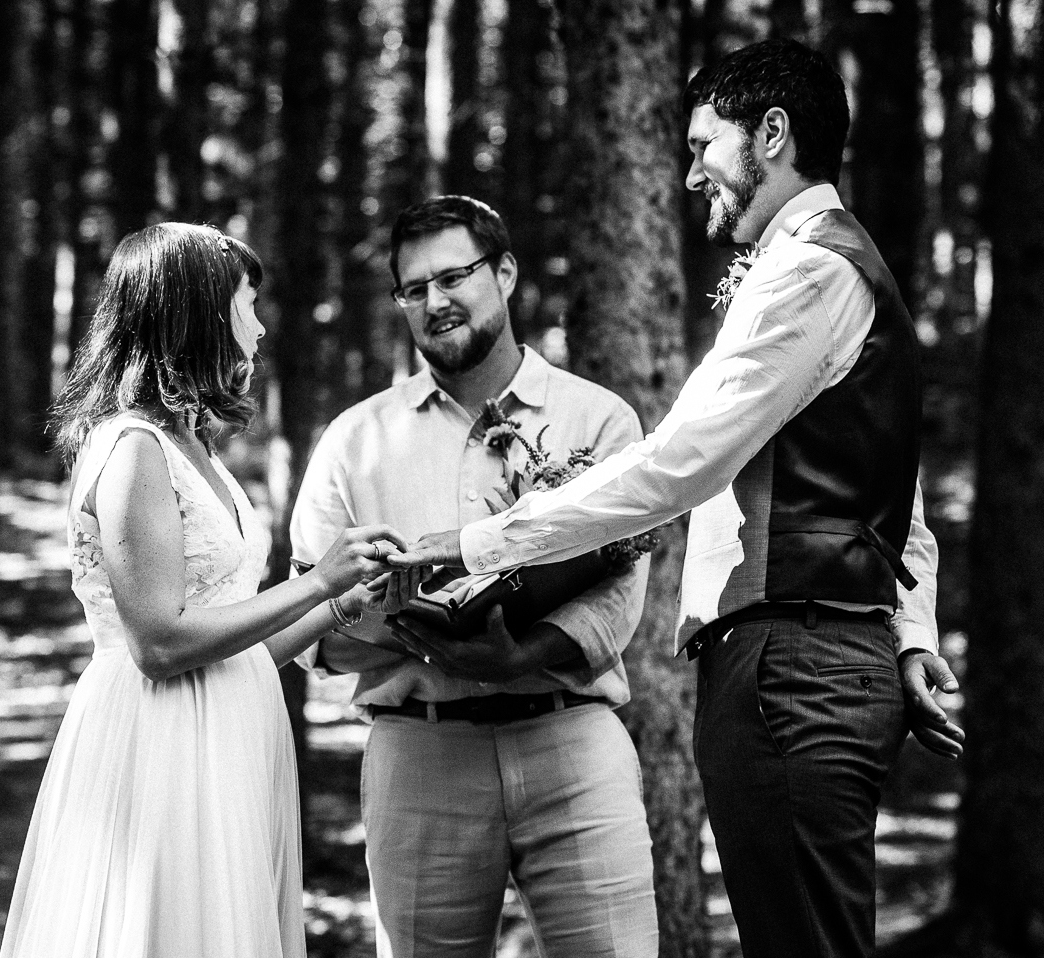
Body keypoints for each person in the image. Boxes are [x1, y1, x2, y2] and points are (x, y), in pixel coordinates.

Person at [388, 41, 966, 958]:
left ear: (771, 136)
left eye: (705, 145)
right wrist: (911, 635)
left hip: (791, 667)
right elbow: (906, 499)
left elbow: (678, 465)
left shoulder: (806, 270)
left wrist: (479, 545)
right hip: (822, 659)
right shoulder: (844, 265)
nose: (690, 172)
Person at [0, 222, 406, 958]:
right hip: (159, 743)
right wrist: (314, 579)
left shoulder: (196, 447)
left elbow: (233, 646)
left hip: (229, 731)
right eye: (247, 304)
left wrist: (338, 603)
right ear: (199, 312)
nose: (258, 324)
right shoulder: (131, 447)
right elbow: (159, 644)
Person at [290, 195, 659, 958]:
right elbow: (309, 626)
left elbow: (621, 597)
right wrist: (393, 624)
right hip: (418, 756)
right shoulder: (354, 441)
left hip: (572, 740)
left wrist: (521, 657)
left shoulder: (599, 422)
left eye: (453, 276)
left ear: (507, 272)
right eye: (413, 289)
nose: (435, 302)